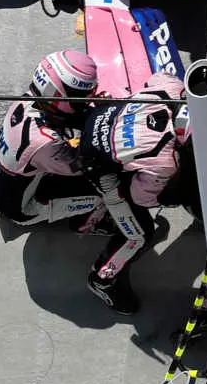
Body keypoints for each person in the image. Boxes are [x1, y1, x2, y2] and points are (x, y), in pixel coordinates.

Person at [81, 72, 190, 314]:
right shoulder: (165, 160)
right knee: (139, 234)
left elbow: (159, 76)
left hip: (100, 119)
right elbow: (142, 198)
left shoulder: (171, 89)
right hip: (98, 167)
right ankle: (102, 280)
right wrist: (173, 196)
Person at [0, 49, 108, 232]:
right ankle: (87, 224)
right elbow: (85, 167)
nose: (85, 102)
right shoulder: (45, 143)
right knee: (107, 190)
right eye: (81, 98)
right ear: (58, 94)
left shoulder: (27, 101)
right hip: (22, 210)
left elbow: (68, 115)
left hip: (6, 182)